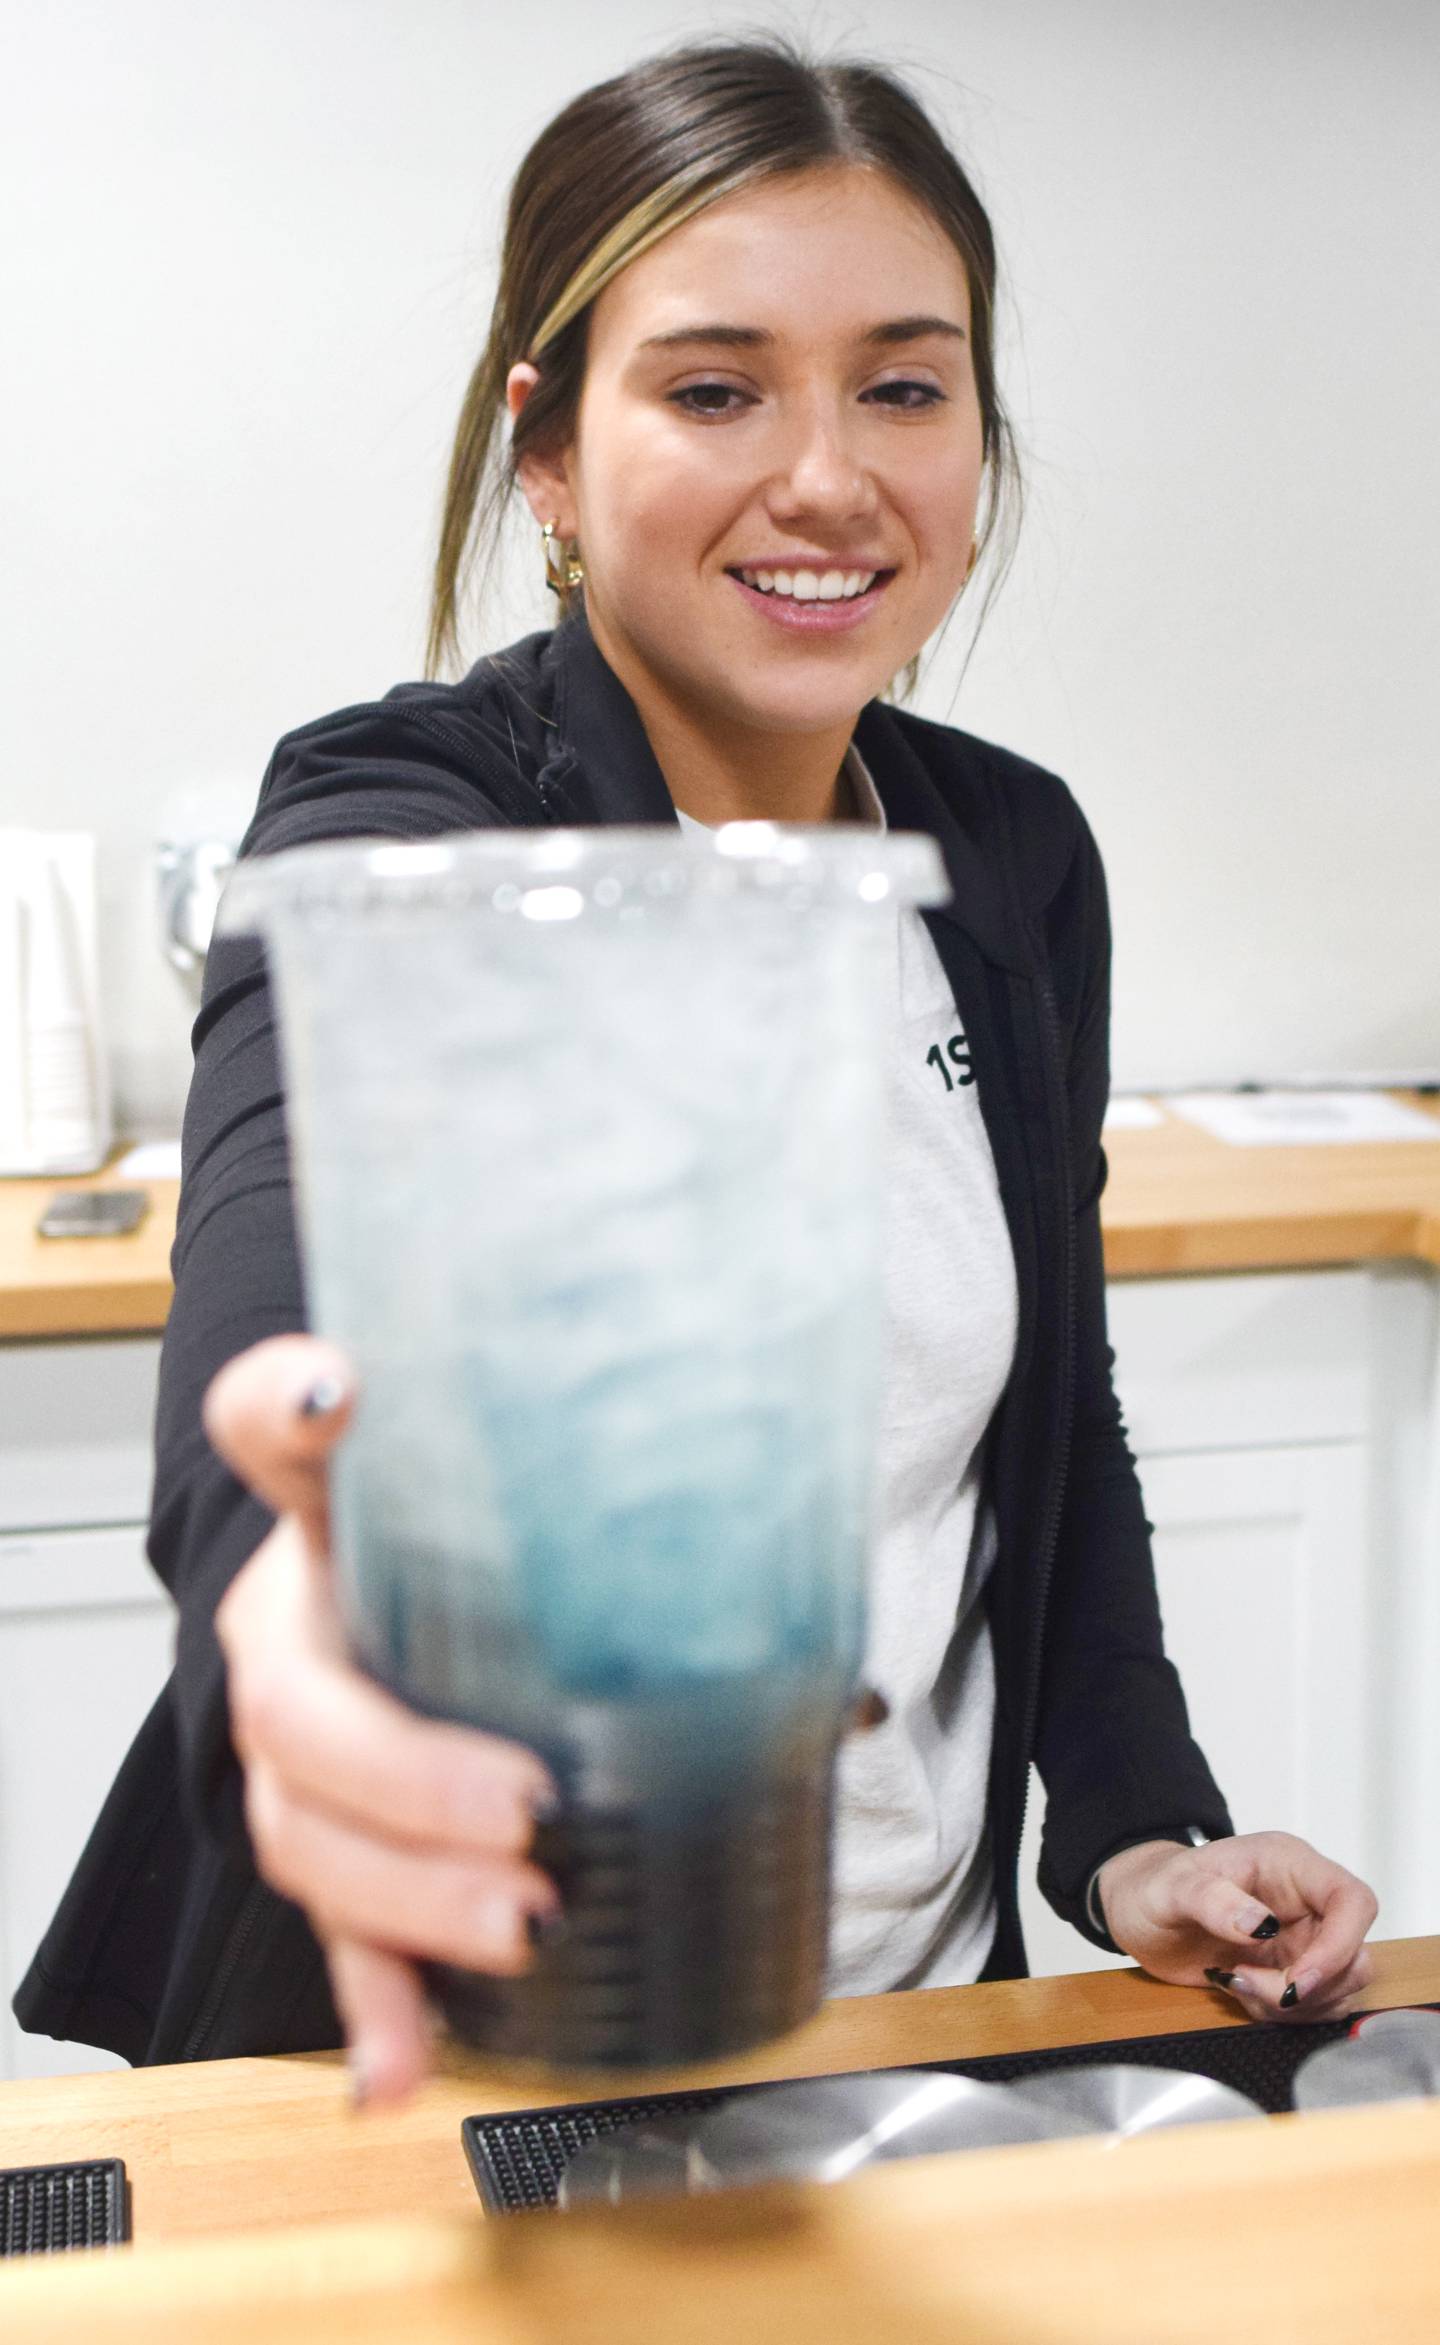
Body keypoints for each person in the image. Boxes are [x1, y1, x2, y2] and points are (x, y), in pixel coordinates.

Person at [16, 36, 1377, 2104]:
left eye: (905, 387)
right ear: (548, 453)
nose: (828, 475)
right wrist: (273, 1635)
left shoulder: (1004, 855)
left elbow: (1054, 1428)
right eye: (716, 387)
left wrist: (1142, 1834)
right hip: (463, 2049)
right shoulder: (408, 825)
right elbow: (265, 1334)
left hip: (912, 2021)